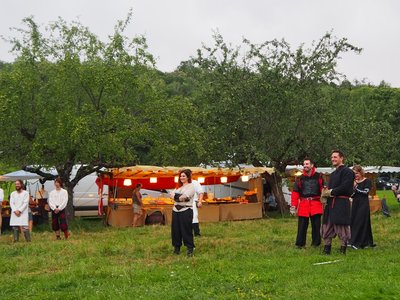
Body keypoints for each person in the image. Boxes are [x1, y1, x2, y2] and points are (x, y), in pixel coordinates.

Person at [321, 150, 355, 255]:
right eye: (332, 157)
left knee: (342, 226)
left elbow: (345, 187)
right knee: (327, 225)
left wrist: (331, 191)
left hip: (341, 202)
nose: (333, 159)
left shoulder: (348, 172)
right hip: (331, 203)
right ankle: (327, 249)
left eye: (335, 157)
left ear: (341, 158)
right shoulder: (333, 173)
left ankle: (342, 249)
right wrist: (326, 193)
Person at [290, 159, 324, 248]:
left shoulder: (319, 176)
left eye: (307, 164)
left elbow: (323, 190)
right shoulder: (299, 178)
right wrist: (293, 206)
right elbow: (295, 193)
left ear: (312, 165)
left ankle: (316, 244)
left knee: (316, 225)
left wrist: (325, 202)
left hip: (316, 203)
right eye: (304, 164)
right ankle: (300, 244)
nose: (305, 166)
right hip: (304, 204)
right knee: (302, 225)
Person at [348, 165, 376, 249]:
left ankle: (359, 242)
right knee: (353, 221)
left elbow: (365, 192)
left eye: (356, 173)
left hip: (363, 204)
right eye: (353, 174)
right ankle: (353, 241)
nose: (355, 175)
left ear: (361, 172)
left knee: (360, 222)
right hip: (355, 204)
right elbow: (352, 195)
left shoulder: (367, 181)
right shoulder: (353, 182)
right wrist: (353, 189)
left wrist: (356, 188)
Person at [171, 169, 195, 256]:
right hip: (175, 210)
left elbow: (185, 197)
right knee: (175, 230)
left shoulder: (191, 186)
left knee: (186, 230)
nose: (182, 177)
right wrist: (179, 197)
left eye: (184, 176)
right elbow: (171, 195)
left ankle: (190, 248)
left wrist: (177, 197)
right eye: (181, 176)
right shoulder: (178, 187)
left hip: (186, 210)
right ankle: (176, 248)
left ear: (188, 177)